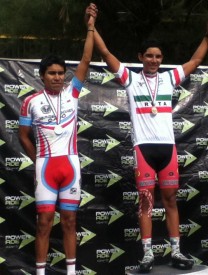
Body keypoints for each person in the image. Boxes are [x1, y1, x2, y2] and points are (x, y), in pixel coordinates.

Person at [92, 11, 208, 273]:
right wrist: (91, 27)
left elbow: (197, 59)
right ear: (140, 57)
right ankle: (147, 254)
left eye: (158, 56)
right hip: (143, 149)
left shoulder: (169, 78)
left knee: (170, 201)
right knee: (146, 201)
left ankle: (177, 251)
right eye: (149, 55)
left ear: (162, 59)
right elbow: (106, 54)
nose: (154, 60)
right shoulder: (131, 79)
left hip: (167, 148)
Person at [18, 4, 98, 275]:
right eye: (51, 73)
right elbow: (23, 136)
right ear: (42, 76)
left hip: (71, 166)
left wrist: (90, 25)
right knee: (43, 222)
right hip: (46, 167)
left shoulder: (72, 93)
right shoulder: (30, 101)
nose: (57, 77)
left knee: (69, 222)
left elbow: (86, 60)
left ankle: (72, 272)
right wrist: (38, 159)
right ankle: (40, 272)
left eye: (60, 73)